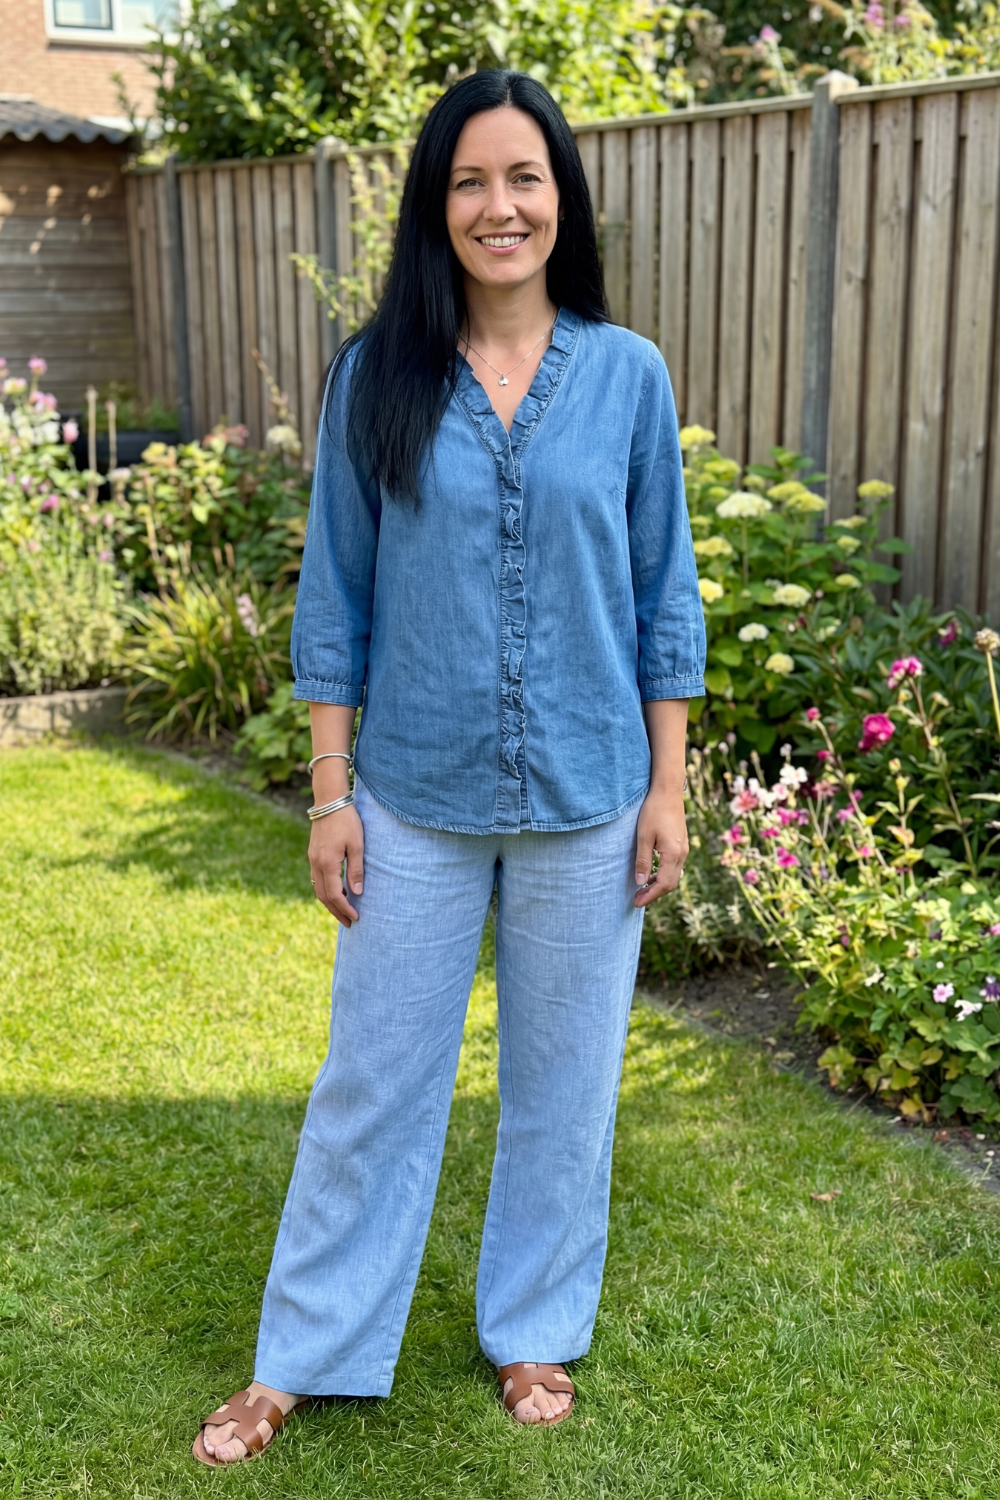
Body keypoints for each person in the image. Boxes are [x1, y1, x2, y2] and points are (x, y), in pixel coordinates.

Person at [193, 68, 705, 1466]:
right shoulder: (381, 377)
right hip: (411, 795)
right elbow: (336, 602)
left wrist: (667, 788)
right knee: (374, 1078)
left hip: (589, 797)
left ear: (561, 200)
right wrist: (329, 788)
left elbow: (666, 595)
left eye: (524, 179)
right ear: (437, 206)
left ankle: (531, 1325)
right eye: (471, 181)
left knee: (565, 1083)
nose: (500, 206)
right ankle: (303, 1351)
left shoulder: (629, 376)